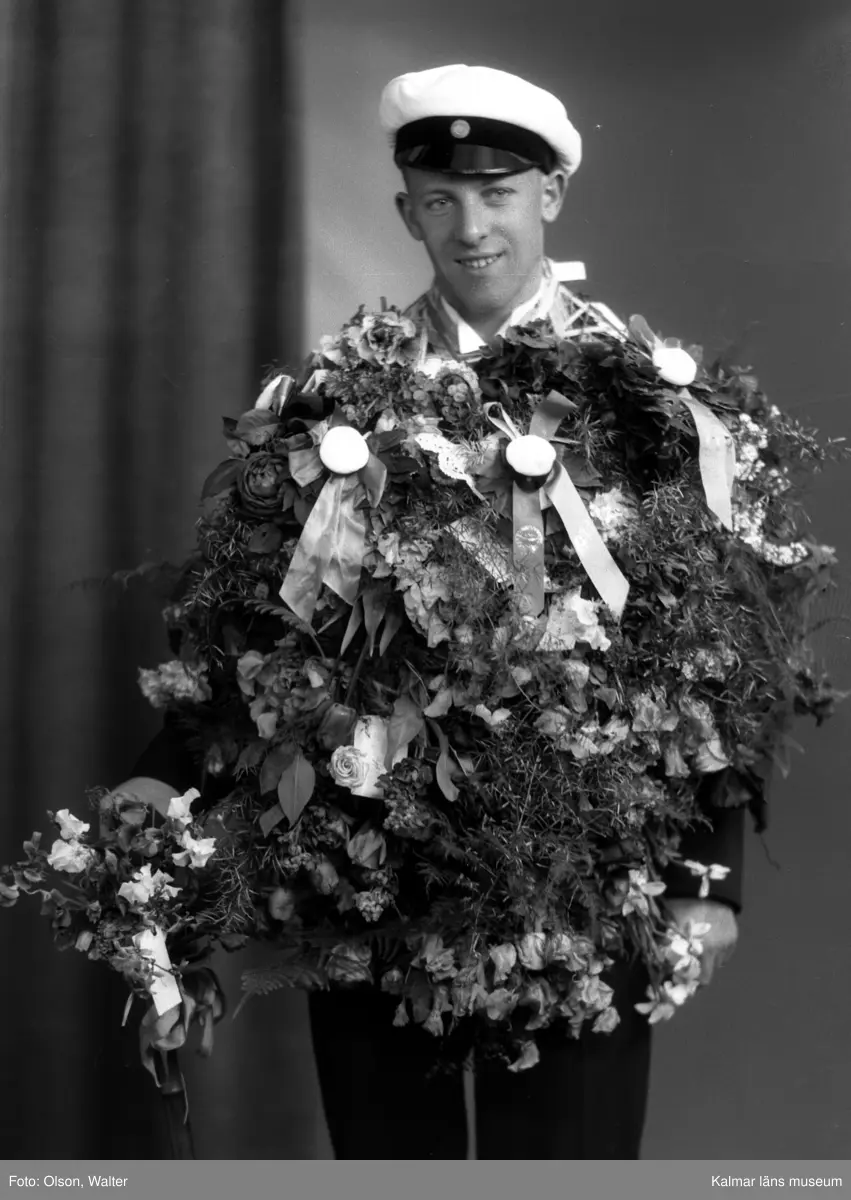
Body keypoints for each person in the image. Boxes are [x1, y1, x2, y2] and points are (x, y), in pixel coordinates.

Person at [112, 64, 765, 1159]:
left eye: (497, 193)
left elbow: (709, 646)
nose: (471, 228)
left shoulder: (645, 399)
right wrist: (155, 812)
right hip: (368, 875)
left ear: (549, 194)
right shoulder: (329, 403)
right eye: (441, 198)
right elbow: (255, 632)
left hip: (580, 880)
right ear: (405, 209)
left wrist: (713, 882)